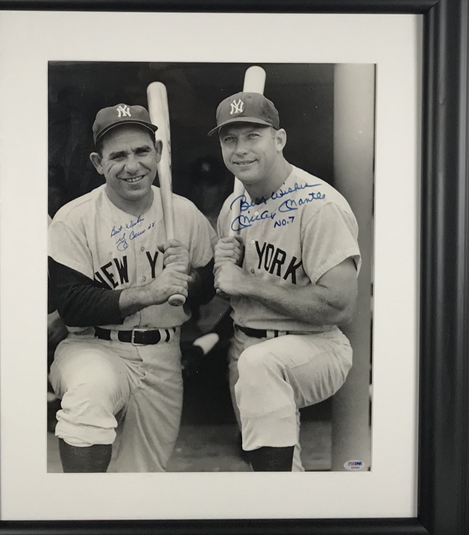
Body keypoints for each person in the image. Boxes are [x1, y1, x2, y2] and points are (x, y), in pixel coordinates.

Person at [48, 102, 216, 473]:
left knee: (142, 476)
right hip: (95, 346)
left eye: (142, 151)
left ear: (158, 153)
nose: (133, 165)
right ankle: (75, 518)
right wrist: (152, 291)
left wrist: (191, 279)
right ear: (97, 162)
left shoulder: (184, 213)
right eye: (118, 155)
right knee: (87, 400)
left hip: (163, 353)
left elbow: (211, 285)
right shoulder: (74, 218)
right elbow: (73, 303)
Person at [210, 92, 360, 472]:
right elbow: (233, 290)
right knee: (268, 458)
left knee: (261, 368)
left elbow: (340, 304)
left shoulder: (318, 205)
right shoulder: (233, 207)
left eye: (253, 136)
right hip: (247, 343)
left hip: (315, 345)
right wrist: (224, 273)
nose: (240, 150)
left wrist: (246, 283)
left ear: (279, 140)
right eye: (230, 139)